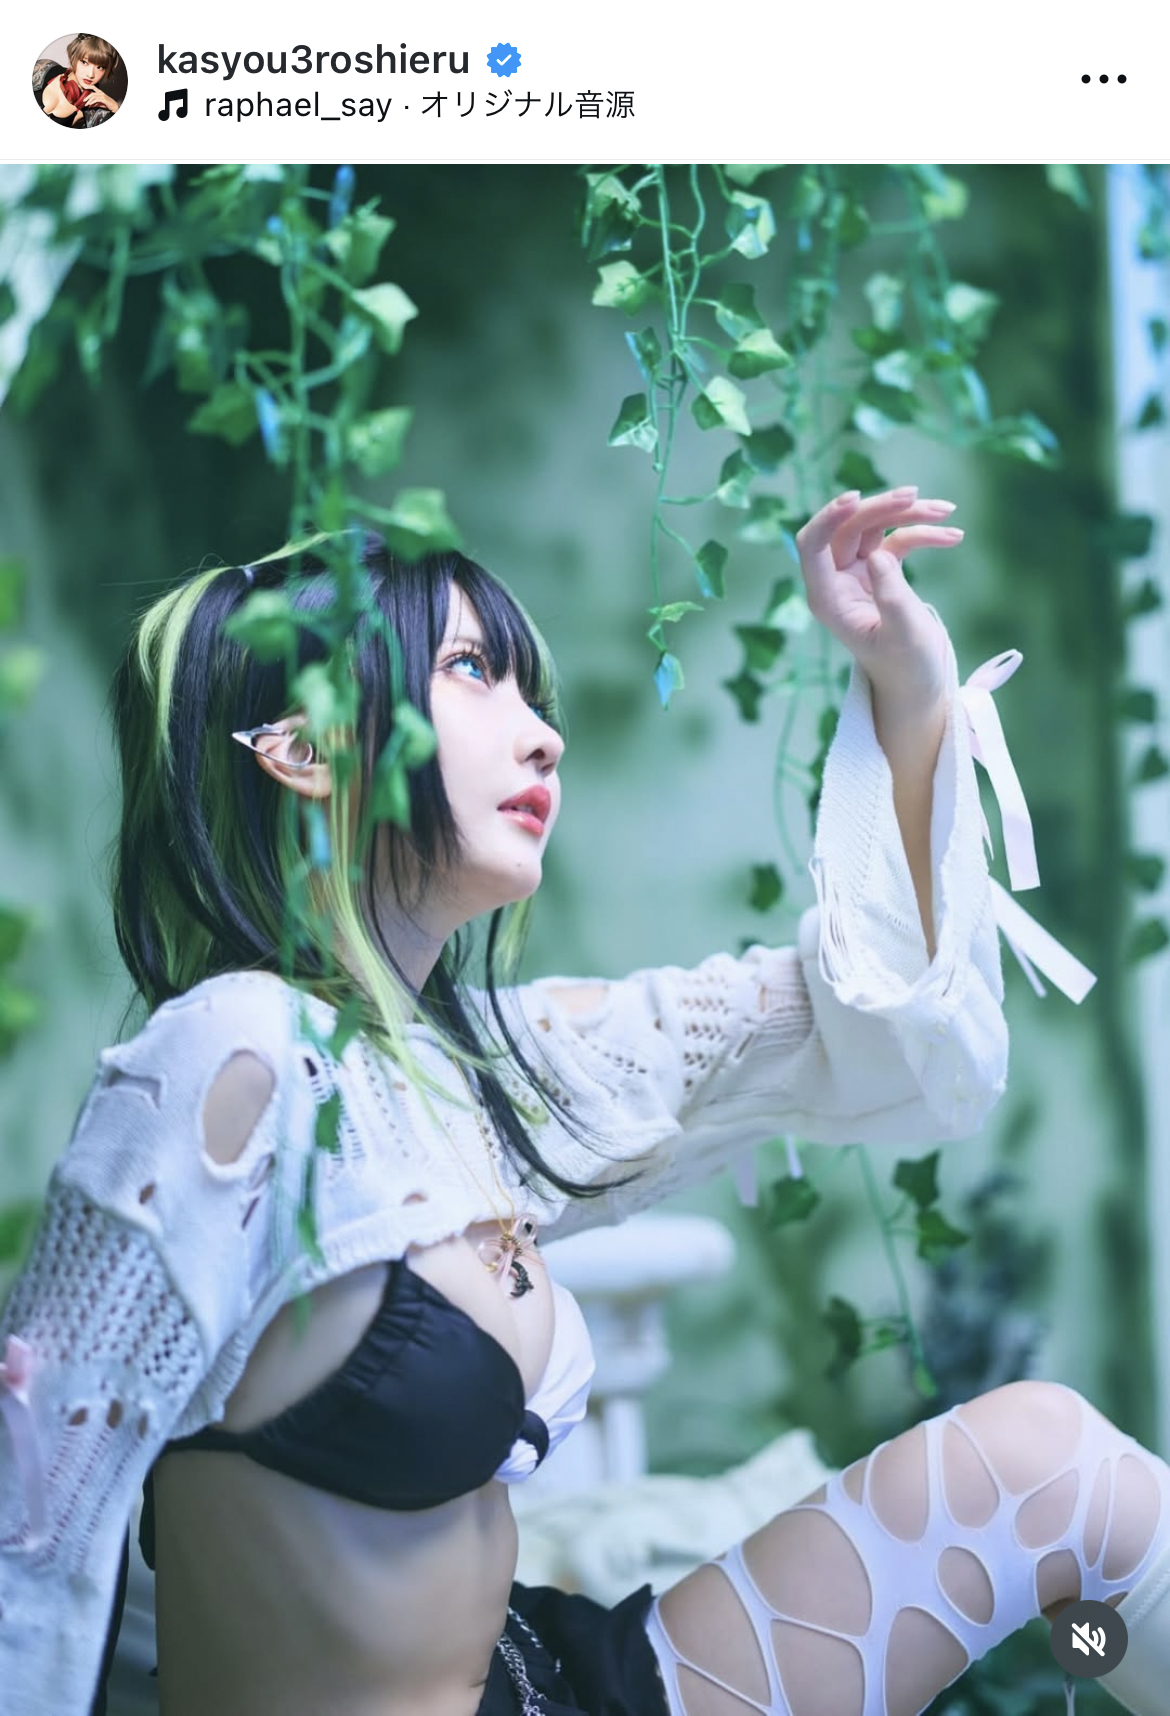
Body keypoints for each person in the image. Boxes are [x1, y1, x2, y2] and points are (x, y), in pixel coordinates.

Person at [0, 485, 1166, 1716]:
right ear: (305, 749)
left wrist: (909, 689)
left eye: (532, 694)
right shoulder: (231, 1058)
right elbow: (29, 1535)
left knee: (1050, 1469)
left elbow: (869, 1025)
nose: (543, 738)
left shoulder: (471, 1065)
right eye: (469, 671)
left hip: (556, 1681)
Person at [32, 34, 121, 128]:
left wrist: (115, 108)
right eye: (84, 62)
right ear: (74, 57)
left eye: (100, 67)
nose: (90, 74)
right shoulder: (44, 68)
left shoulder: (93, 111)